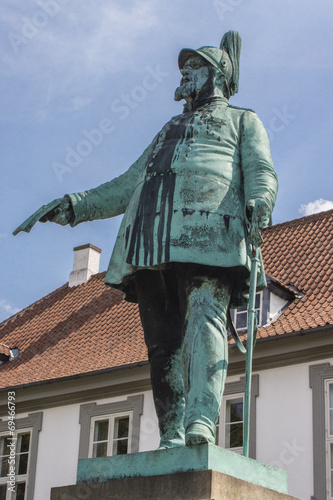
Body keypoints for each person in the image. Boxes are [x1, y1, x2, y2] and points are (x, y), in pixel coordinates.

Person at [17, 31, 278, 449]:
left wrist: (260, 200)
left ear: (215, 74)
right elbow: (127, 184)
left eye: (193, 68)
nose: (184, 75)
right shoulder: (169, 127)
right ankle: (171, 431)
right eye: (184, 69)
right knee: (163, 344)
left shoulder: (243, 120)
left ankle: (201, 421)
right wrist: (73, 205)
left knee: (205, 321)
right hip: (151, 240)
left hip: (211, 234)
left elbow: (261, 168)